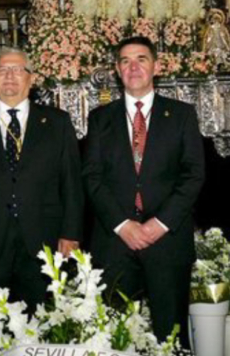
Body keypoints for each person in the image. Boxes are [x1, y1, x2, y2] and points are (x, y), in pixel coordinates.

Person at [83, 35, 205, 344]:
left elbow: (193, 175)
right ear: (116, 69)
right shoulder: (100, 119)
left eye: (141, 59)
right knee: (114, 337)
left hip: (167, 243)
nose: (133, 67)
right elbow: (92, 177)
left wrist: (159, 224)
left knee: (171, 338)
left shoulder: (181, 115)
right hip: (114, 244)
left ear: (156, 67)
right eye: (125, 61)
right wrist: (123, 225)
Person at [0, 48, 83, 308]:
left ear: (31, 78)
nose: (10, 76)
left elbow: (72, 182)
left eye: (17, 70)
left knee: (42, 323)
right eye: (2, 70)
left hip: (43, 241)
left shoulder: (57, 123)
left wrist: (70, 232)